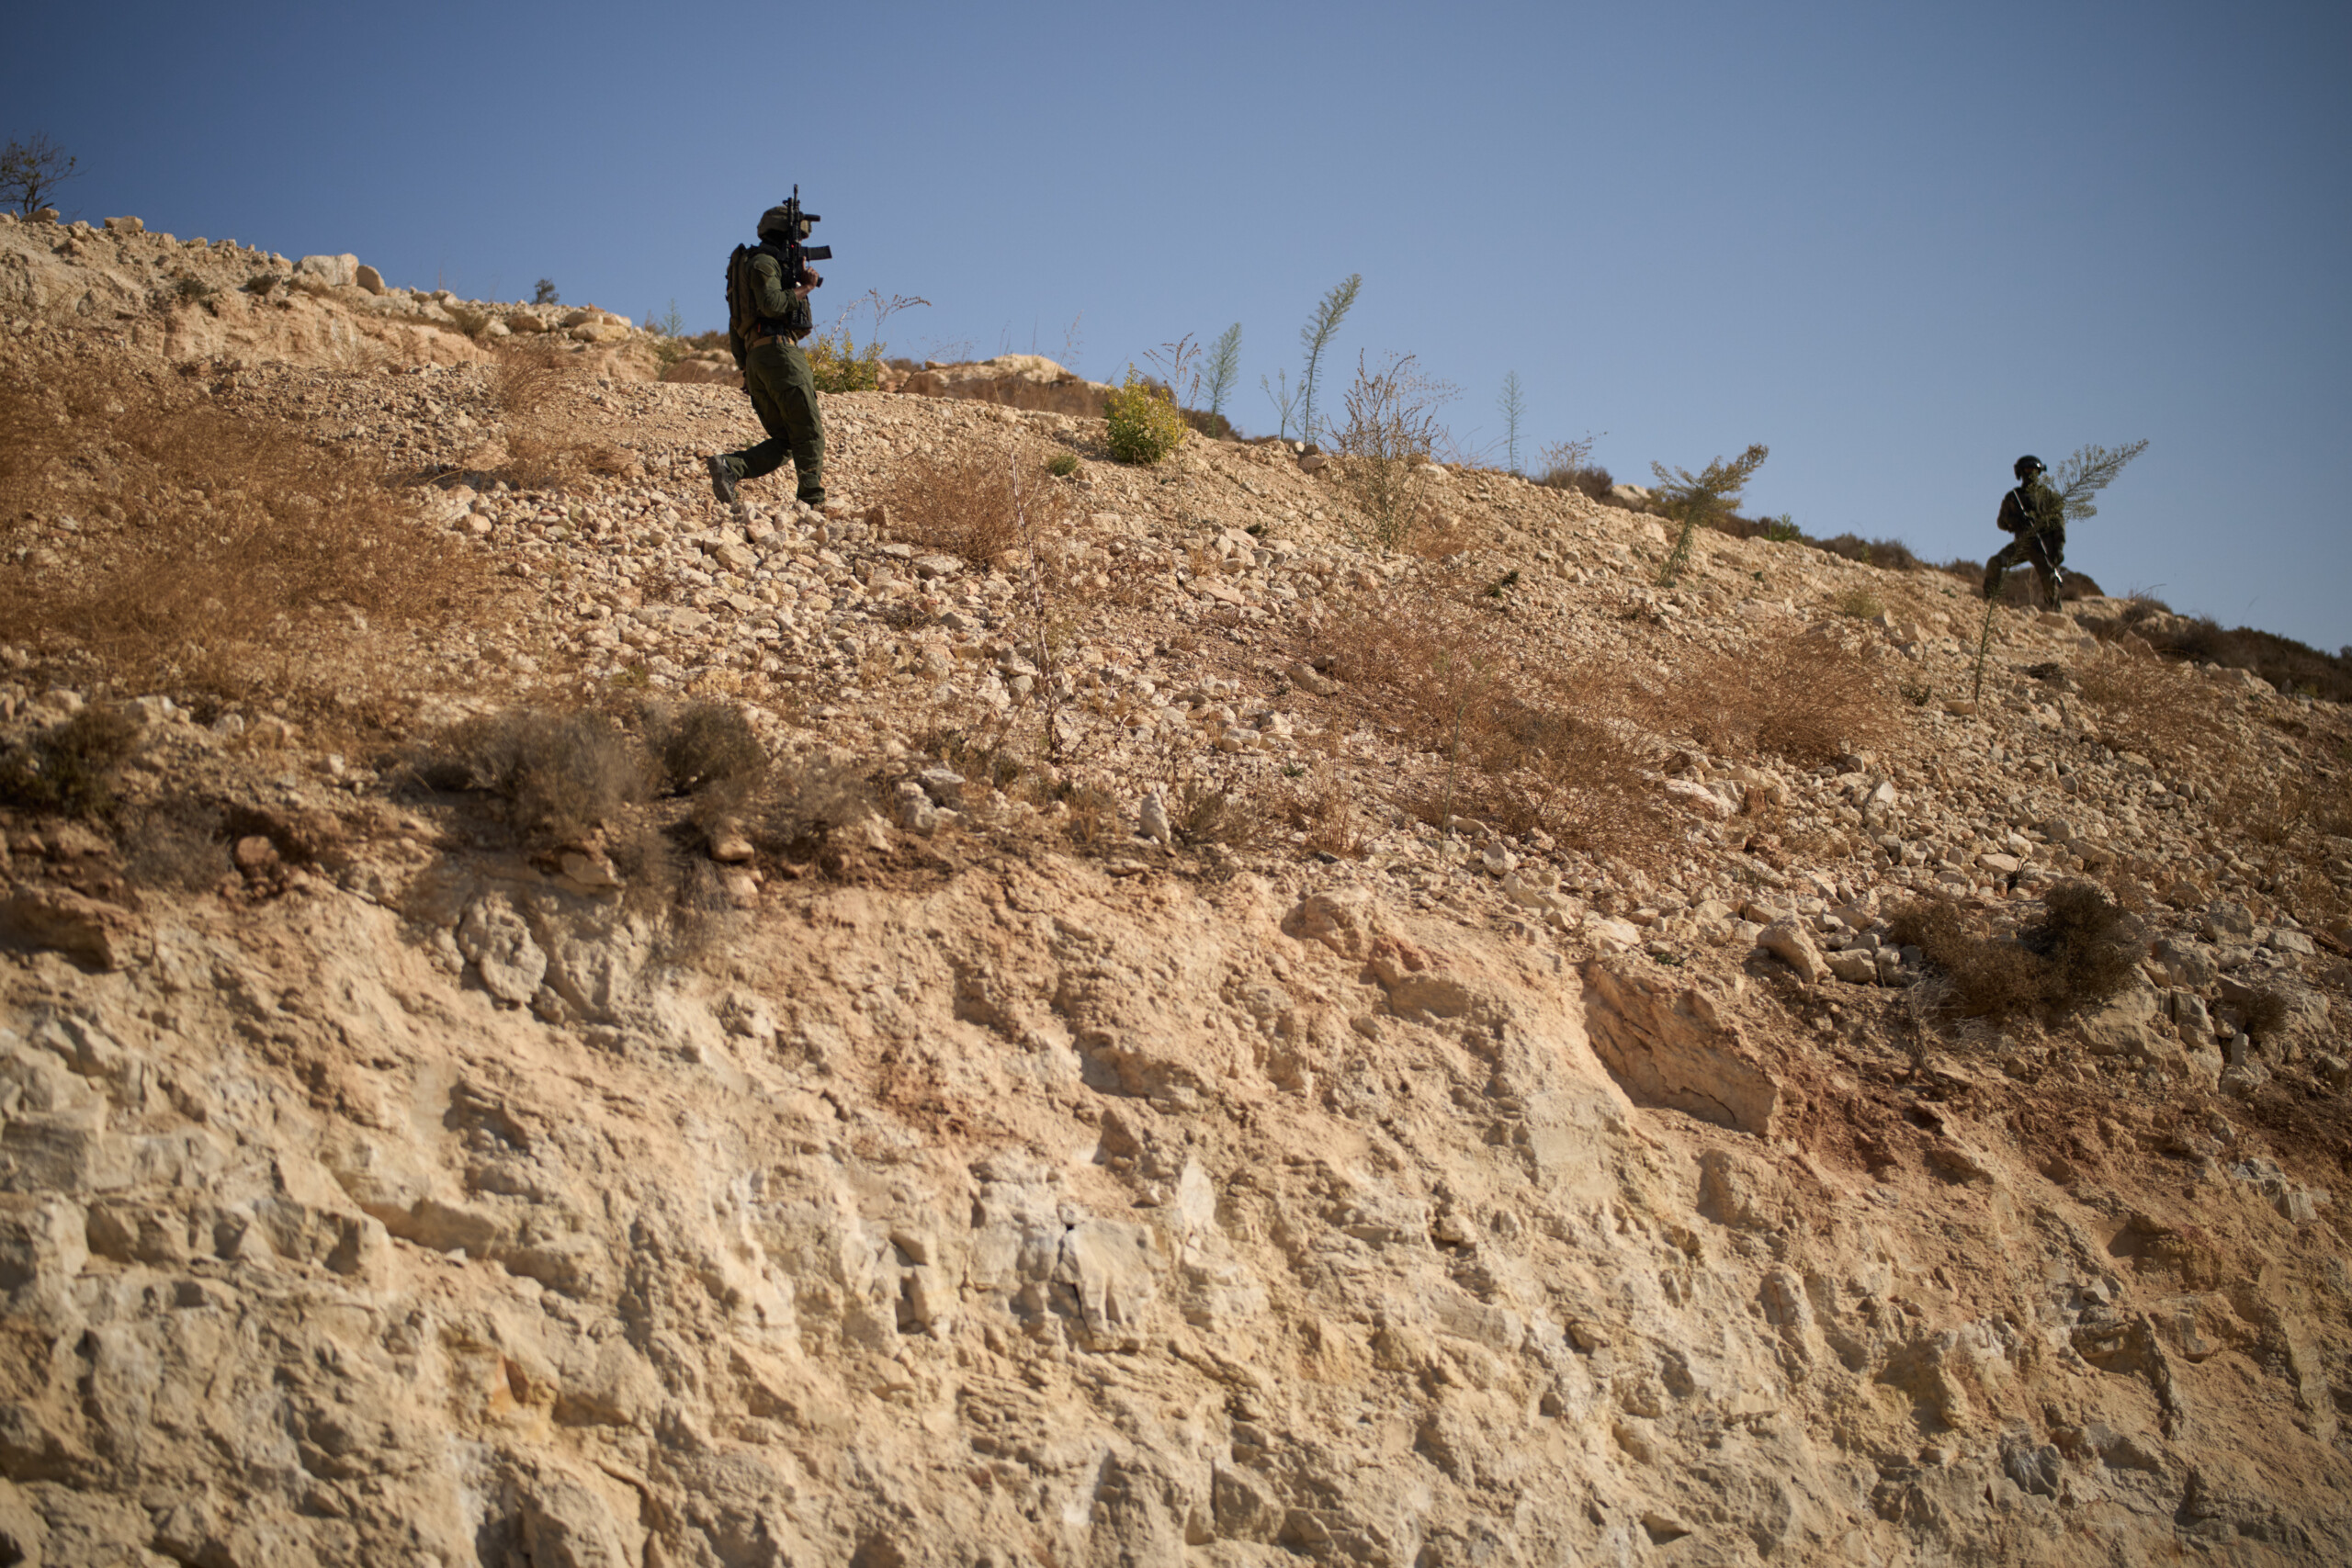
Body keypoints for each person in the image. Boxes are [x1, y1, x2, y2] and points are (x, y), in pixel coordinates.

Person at [707, 205, 826, 509]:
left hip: (757, 361)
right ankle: (812, 503)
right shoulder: (763, 263)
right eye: (795, 241)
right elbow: (774, 304)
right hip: (780, 355)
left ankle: (730, 467)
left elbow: (736, 326)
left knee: (787, 440)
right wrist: (807, 287)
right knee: (808, 431)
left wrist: (746, 370)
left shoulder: (747, 269)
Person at [1983, 454, 2066, 604]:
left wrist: (2059, 548)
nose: (2031, 473)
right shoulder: (2013, 497)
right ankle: (1990, 602)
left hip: (2043, 546)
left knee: (2049, 578)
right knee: (1994, 563)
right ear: (2020, 472)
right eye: (2028, 469)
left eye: (2034, 470)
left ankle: (2054, 613)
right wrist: (2015, 521)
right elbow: (2001, 522)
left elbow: (2058, 524)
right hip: (2021, 544)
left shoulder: (2047, 496)